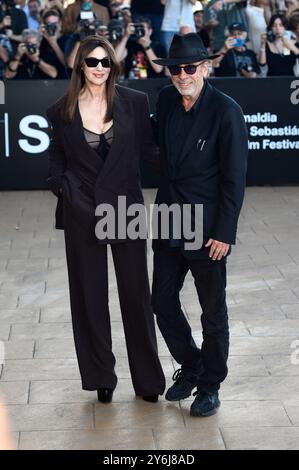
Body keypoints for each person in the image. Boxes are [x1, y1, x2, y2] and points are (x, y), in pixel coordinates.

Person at [46, 35, 165, 404]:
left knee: (136, 296)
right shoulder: (61, 110)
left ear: (113, 65)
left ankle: (148, 382)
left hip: (125, 210)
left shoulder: (134, 101)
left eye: (105, 62)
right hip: (82, 210)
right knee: (89, 297)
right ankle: (101, 377)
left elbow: (152, 152)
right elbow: (56, 160)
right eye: (92, 62)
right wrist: (63, 187)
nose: (99, 68)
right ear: (80, 65)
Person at [151, 33, 248, 417]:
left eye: (190, 67)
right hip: (169, 220)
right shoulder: (165, 100)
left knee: (212, 312)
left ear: (205, 68)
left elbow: (234, 178)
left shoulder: (226, 111)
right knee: (161, 301)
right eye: (176, 68)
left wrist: (224, 232)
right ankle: (192, 366)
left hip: (207, 230)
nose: (182, 75)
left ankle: (210, 385)